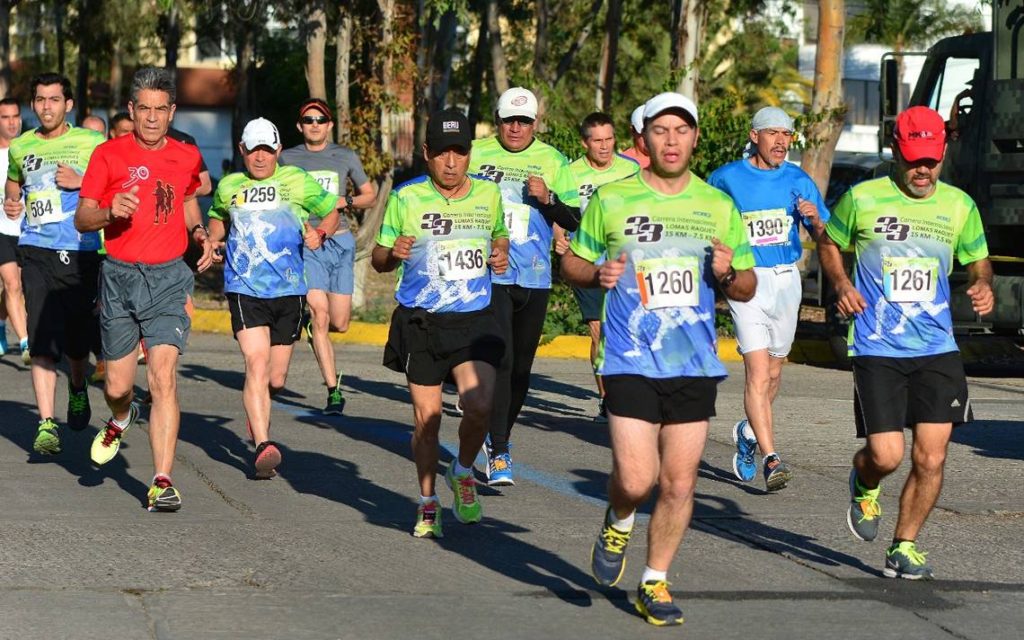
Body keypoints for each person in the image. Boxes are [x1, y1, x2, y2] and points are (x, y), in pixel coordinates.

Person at [561, 92, 756, 626]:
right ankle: (618, 517)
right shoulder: (612, 200)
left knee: (680, 483)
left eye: (682, 130)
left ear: (695, 138)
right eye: (661, 131)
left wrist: (726, 274)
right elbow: (574, 263)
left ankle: (655, 581)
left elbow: (746, 285)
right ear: (643, 140)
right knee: (636, 477)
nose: (672, 140)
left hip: (693, 362)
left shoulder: (717, 205)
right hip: (628, 356)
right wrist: (594, 274)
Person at [818, 106, 993, 580]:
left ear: (943, 153)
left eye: (931, 160)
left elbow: (977, 258)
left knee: (932, 455)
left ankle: (905, 544)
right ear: (896, 150)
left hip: (937, 346)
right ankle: (865, 479)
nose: (923, 170)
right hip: (877, 346)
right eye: (914, 159)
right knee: (887, 455)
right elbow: (829, 242)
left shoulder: (959, 205)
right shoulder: (862, 198)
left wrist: (982, 282)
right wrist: (841, 284)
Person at [75, 67, 214, 512]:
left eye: (161, 110)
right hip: (119, 276)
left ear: (172, 111)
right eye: (144, 109)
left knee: (162, 377)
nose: (152, 119)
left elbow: (189, 199)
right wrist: (109, 212)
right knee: (118, 385)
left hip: (170, 278)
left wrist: (199, 235)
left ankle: (161, 480)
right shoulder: (108, 156)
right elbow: (82, 218)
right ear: (131, 110)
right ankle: (121, 416)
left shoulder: (186, 156)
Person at [373, 108, 509, 537]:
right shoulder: (406, 197)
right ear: (426, 152)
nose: (451, 162)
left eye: (460, 152)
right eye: (443, 153)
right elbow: (377, 260)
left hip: (474, 318)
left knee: (481, 405)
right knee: (427, 421)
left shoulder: (489, 195)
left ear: (470, 154)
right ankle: (428, 500)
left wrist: (501, 250)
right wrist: (392, 253)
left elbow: (500, 231)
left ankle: (463, 470)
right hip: (422, 321)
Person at [207, 117, 342, 478]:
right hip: (244, 289)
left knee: (276, 378)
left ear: (278, 150)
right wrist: (212, 239)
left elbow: (331, 210)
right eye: (254, 150)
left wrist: (322, 234)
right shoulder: (229, 186)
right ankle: (264, 444)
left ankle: (257, 411)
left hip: (289, 290)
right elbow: (218, 218)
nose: (261, 157)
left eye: (267, 149)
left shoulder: (297, 180)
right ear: (242, 151)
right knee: (255, 363)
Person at [707, 106, 829, 491]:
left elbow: (824, 233)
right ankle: (772, 458)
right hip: (746, 281)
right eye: (773, 133)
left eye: (787, 134)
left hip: (786, 280)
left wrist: (815, 219)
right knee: (758, 374)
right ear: (754, 135)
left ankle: (748, 432)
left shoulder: (798, 179)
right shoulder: (726, 178)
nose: (781, 141)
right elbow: (705, 218)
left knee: (775, 373)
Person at [469, 86, 580, 485]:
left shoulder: (553, 160)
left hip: (534, 275)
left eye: (525, 121)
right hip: (490, 272)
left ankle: (499, 435)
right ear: (497, 120)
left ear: (536, 123)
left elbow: (574, 219)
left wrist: (547, 199)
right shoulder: (476, 154)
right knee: (502, 360)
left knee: (521, 371)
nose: (516, 128)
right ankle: (499, 450)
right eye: (509, 120)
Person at [5, 73, 105, 454]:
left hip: (80, 251)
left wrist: (81, 180)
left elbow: (112, 185)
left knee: (78, 343)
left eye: (54, 100)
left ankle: (77, 385)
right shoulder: (21, 146)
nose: (47, 106)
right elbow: (14, 187)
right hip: (34, 249)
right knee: (42, 337)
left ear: (69, 105)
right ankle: (46, 423)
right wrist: (11, 203)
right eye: (41, 100)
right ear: (34, 105)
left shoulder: (91, 143)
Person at [280, 98, 376, 415]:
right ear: (300, 126)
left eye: (320, 119)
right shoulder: (288, 158)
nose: (315, 124)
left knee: (340, 322)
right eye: (308, 120)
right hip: (308, 245)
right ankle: (334, 392)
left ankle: (313, 331)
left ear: (330, 124)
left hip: (342, 241)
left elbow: (369, 195)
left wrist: (343, 200)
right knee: (320, 315)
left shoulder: (344, 156)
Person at [553, 111, 638, 421]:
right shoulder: (570, 173)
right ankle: (606, 397)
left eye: (610, 139)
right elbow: (559, 211)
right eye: (597, 141)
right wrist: (559, 239)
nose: (605, 146)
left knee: (625, 330)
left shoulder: (630, 170)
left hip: (625, 262)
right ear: (584, 143)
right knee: (599, 331)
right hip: (587, 261)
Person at [0, 96, 29, 363]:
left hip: (26, 231)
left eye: (15, 116)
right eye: (5, 117)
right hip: (1, 231)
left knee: (18, 288)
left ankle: (0, 322)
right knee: (12, 284)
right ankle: (25, 343)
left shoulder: (27, 150)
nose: (11, 123)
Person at [619, 104, 650, 169]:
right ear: (632, 131)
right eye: (643, 133)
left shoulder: (668, 159)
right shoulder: (621, 163)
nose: (649, 138)